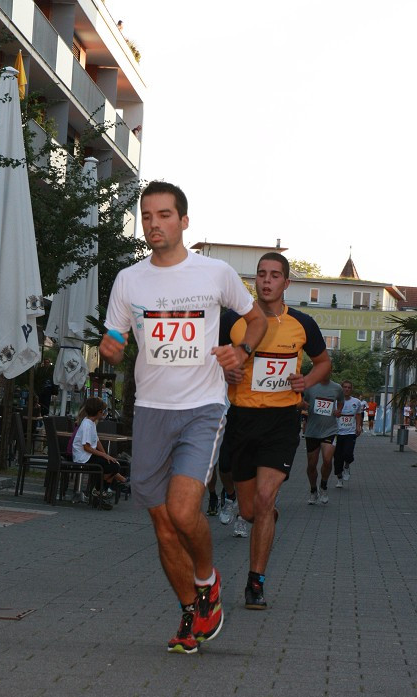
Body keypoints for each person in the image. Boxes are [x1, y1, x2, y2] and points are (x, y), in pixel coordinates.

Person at [99, 180, 267, 654]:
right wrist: (109, 349)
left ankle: (207, 580)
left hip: (203, 407)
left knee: (182, 510)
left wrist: (241, 350)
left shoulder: (214, 274)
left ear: (184, 221)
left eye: (165, 215)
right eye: (147, 216)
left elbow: (256, 320)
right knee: (162, 524)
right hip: (150, 410)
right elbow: (115, 340)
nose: (155, 224)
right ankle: (191, 611)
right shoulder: (129, 280)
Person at [221, 252, 331, 611]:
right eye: (261, 275)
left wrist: (307, 379)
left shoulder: (302, 324)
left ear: (286, 283)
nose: (267, 281)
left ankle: (256, 583)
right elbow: (213, 360)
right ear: (255, 281)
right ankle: (263, 518)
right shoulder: (234, 321)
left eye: (274, 275)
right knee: (251, 511)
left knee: (267, 500)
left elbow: (324, 362)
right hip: (242, 420)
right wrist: (226, 373)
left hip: (281, 421)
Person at [72, 397, 128, 509]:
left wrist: (107, 456)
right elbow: (86, 447)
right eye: (104, 411)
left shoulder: (91, 423)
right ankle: (99, 491)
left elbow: (96, 441)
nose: (105, 413)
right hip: (83, 457)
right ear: (99, 412)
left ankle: (100, 492)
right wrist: (103, 455)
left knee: (112, 464)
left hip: (88, 455)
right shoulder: (87, 424)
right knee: (112, 467)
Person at [303, 376, 344, 504]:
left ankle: (324, 486)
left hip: (330, 431)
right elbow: (301, 401)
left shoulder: (337, 387)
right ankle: (313, 490)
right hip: (312, 431)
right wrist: (304, 407)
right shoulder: (309, 386)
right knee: (311, 465)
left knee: (327, 460)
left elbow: (341, 401)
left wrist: (339, 410)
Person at [334, 380, 362, 487]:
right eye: (344, 387)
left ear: (351, 389)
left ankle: (347, 466)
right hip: (337, 433)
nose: (346, 389)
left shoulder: (356, 402)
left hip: (350, 432)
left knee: (348, 453)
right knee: (337, 458)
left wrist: (358, 426)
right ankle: (339, 479)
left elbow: (358, 414)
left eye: (349, 387)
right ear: (341, 389)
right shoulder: (335, 402)